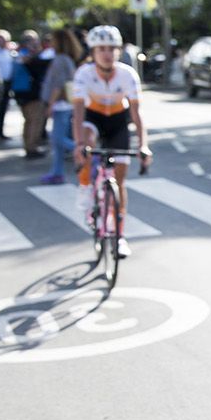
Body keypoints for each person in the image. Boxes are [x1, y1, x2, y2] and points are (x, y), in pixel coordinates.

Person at [71, 25, 151, 258]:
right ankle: (86, 186)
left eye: (112, 49)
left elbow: (137, 114)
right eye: (101, 49)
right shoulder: (84, 74)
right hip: (92, 117)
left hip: (117, 119)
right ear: (93, 53)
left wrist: (144, 145)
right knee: (86, 141)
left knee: (120, 180)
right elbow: (77, 111)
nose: (107, 54)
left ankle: (119, 236)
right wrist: (78, 144)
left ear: (118, 51)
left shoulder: (127, 74)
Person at [39, 27, 83, 185]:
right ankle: (57, 172)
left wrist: (50, 104)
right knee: (57, 143)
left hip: (61, 104)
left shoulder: (60, 59)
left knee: (58, 138)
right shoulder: (66, 58)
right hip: (64, 103)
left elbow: (58, 85)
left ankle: (89, 155)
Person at [14, 30, 50, 158]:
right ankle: (31, 147)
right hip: (30, 94)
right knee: (34, 121)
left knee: (30, 121)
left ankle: (30, 146)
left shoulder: (21, 55)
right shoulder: (25, 57)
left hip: (25, 93)